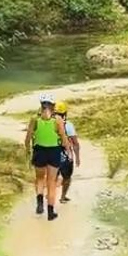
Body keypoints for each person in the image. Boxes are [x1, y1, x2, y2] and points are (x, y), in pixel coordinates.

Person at [25, 93, 70, 221]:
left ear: (41, 105)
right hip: (54, 152)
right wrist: (67, 151)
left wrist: (27, 150)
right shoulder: (58, 120)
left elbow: (28, 137)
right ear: (53, 106)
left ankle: (40, 203)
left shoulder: (34, 119)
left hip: (39, 151)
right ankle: (50, 213)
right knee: (51, 182)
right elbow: (63, 137)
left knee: (39, 179)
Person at [55, 101, 80, 204]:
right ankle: (62, 197)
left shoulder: (48, 124)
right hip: (66, 155)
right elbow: (75, 143)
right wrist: (77, 157)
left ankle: (49, 195)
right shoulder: (68, 126)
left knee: (52, 176)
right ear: (65, 114)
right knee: (67, 178)